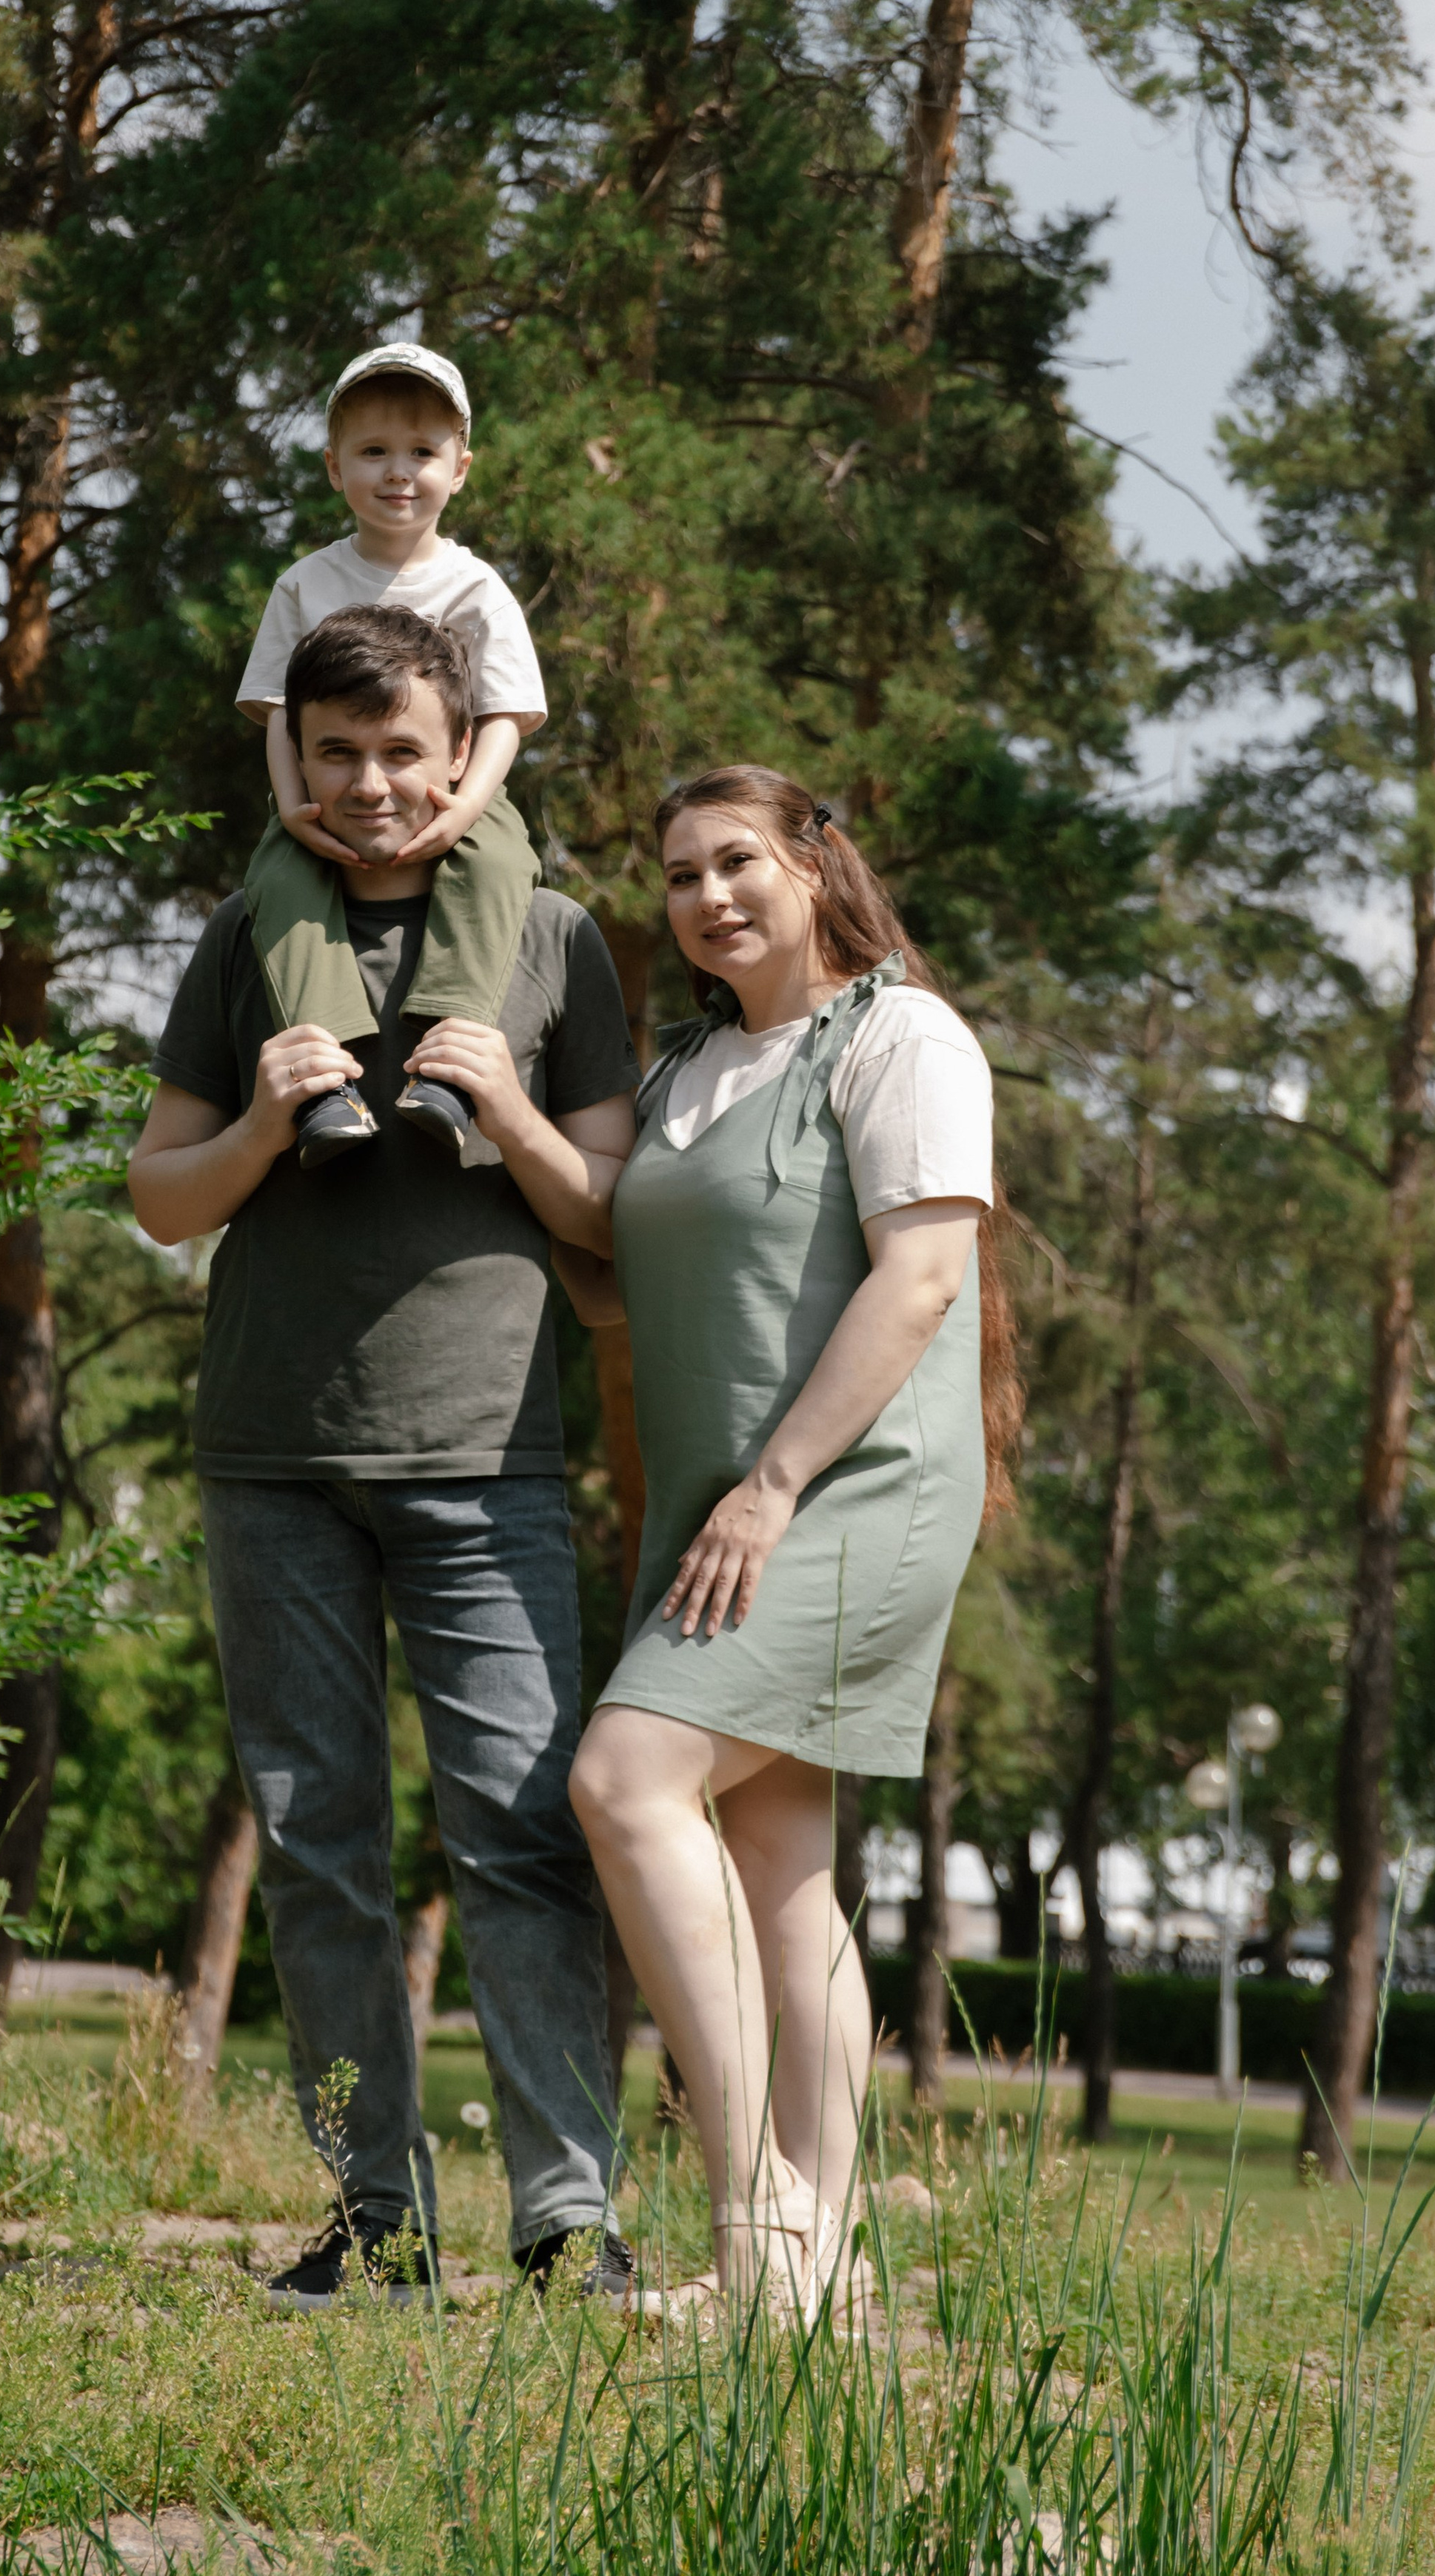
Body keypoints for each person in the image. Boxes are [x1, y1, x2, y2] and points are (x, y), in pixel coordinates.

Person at [128, 606, 641, 2310]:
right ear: (304, 755)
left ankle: (567, 2219)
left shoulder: (555, 940)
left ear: (456, 751)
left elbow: (607, 1224)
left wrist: (501, 1108)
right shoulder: (240, 937)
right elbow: (159, 1200)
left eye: (398, 750)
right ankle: (373, 2212)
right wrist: (264, 1121)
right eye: (335, 750)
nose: (366, 783)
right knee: (318, 1840)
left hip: (485, 1459)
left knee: (520, 1833)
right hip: (269, 1457)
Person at [565, 765, 1020, 2318]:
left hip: (847, 1488)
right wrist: (493, 1118)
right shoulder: (683, 1064)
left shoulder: (903, 1036)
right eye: (679, 875)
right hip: (716, 1503)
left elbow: (918, 1284)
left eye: (737, 860)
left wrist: (769, 1487)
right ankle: (804, 2279)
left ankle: (752, 2204)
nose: (707, 897)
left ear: (815, 865)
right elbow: (619, 1281)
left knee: (623, 1781)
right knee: (770, 1860)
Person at [234, 341, 545, 1163]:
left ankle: (449, 1058)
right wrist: (292, 809)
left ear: (461, 467)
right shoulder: (305, 583)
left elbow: (508, 714)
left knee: (501, 865)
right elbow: (274, 709)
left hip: (452, 789)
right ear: (336, 469)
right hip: (323, 792)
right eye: (374, 452)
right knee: (278, 881)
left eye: (422, 452)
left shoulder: (475, 587)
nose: (398, 472)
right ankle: (327, 1081)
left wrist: (466, 810)